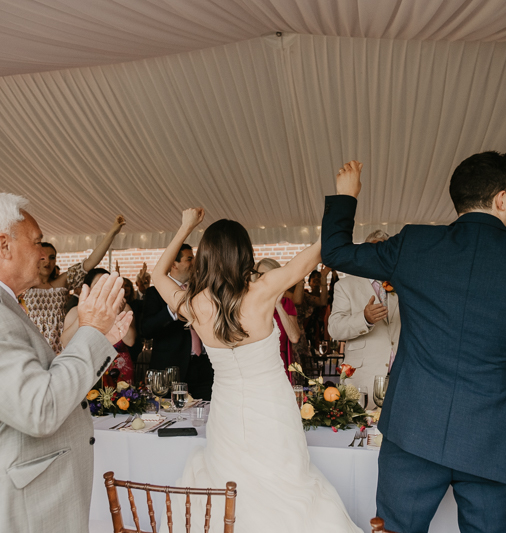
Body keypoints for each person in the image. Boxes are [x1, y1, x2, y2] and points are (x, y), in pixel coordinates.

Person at [321, 155, 506, 533]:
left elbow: (336, 252)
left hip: (411, 432)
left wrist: (346, 195)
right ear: (502, 199)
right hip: (491, 439)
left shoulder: (415, 244)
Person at [0, 193, 132, 532]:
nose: (42, 252)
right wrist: (90, 332)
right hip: (0, 509)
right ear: (3, 245)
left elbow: (32, 385)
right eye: (36, 242)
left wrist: (98, 340)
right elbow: (39, 408)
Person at [155, 208, 361, 533]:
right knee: (285, 482)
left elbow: (157, 276)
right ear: (244, 253)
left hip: (226, 410)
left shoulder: (194, 304)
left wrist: (184, 227)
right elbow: (314, 254)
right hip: (272, 406)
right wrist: (345, 200)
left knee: (231, 485)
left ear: (205, 257)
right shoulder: (263, 290)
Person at [22, 215, 125, 354]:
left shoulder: (62, 282)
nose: (48, 261)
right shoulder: (22, 285)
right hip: (32, 347)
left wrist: (113, 232)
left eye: (52, 257)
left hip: (61, 346)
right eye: (43, 257)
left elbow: (91, 262)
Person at [327, 230, 400, 398]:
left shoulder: (401, 285)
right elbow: (335, 329)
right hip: (363, 378)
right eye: (374, 250)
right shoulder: (345, 285)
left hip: (399, 378)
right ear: (365, 253)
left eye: (384, 250)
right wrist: (364, 319)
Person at [141, 244, 214, 400]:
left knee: (206, 415)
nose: (194, 262)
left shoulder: (201, 291)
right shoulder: (155, 293)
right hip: (172, 369)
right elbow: (146, 329)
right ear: (174, 264)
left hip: (203, 366)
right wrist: (172, 310)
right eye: (189, 259)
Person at [62, 268, 137, 384]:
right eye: (98, 284)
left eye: (107, 284)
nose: (103, 288)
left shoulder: (123, 307)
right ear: (88, 288)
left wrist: (117, 314)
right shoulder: (75, 311)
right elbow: (65, 343)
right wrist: (85, 312)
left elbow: (131, 341)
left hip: (119, 368)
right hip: (88, 369)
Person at [254, 258, 300, 383]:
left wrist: (278, 305)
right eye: (261, 275)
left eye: (270, 275)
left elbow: (294, 337)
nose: (264, 279)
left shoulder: (286, 304)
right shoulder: (250, 305)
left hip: (279, 368)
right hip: (255, 367)